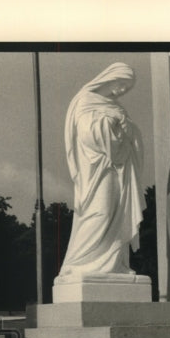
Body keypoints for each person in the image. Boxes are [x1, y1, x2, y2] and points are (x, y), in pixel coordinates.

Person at [57, 62, 146, 281]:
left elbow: (130, 136)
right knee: (100, 211)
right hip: (96, 167)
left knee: (117, 214)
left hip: (117, 169)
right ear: (111, 78)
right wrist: (112, 124)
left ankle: (112, 263)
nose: (123, 91)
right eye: (123, 84)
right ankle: (79, 262)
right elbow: (88, 134)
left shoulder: (116, 107)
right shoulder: (86, 99)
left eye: (128, 88)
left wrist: (126, 128)